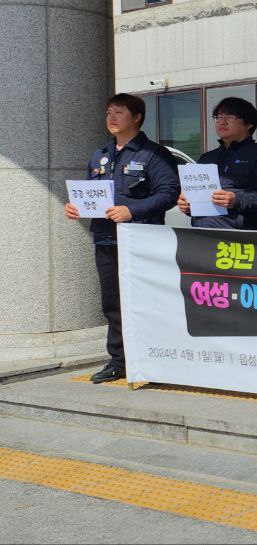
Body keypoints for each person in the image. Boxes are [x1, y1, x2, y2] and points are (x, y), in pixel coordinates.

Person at [64, 94, 179, 384]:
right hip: (106, 239)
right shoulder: (99, 154)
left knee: (145, 301)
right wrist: (76, 207)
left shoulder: (153, 154)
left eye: (118, 112)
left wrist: (132, 210)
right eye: (108, 113)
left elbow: (169, 193)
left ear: (137, 117)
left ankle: (155, 359)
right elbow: (90, 193)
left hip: (140, 240)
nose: (111, 118)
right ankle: (119, 360)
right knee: (112, 302)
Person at [177, 97, 257, 230]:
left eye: (230, 116)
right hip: (202, 233)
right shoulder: (206, 158)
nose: (222, 121)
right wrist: (188, 205)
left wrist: (236, 199)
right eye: (218, 117)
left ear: (249, 124)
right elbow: (198, 197)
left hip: (239, 236)